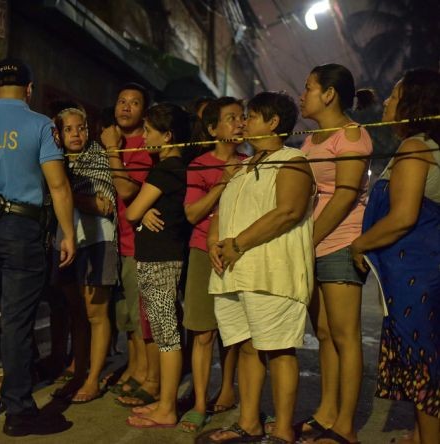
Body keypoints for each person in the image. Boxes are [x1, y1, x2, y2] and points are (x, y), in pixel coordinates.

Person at [0, 58, 75, 436]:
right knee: (17, 321)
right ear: (29, 88)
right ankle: (18, 410)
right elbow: (57, 185)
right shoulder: (39, 124)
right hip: (22, 227)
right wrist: (67, 232)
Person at [200, 92, 314, 443]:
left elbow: (288, 211)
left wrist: (238, 243)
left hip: (271, 272)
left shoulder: (292, 159)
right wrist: (213, 242)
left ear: (273, 122)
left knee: (279, 349)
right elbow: (221, 211)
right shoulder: (243, 166)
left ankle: (282, 430)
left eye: (250, 116)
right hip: (235, 272)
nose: (243, 122)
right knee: (247, 347)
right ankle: (248, 421)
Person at [351, 68, 440, 444]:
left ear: (413, 103)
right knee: (424, 352)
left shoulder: (416, 147)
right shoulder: (420, 146)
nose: (387, 101)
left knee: (422, 360)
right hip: (414, 270)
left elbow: (403, 216)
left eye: (394, 95)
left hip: (417, 271)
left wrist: (360, 243)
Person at [297, 63, 374, 444]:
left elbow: (344, 195)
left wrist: (309, 239)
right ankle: (326, 411)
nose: (302, 94)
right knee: (324, 333)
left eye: (309, 87)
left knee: (346, 336)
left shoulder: (352, 136)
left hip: (341, 240)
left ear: (329, 94)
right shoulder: (311, 140)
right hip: (313, 240)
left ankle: (346, 425)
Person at [123, 103, 192, 428]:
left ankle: (167, 407)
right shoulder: (172, 168)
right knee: (166, 332)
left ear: (168, 135)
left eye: (149, 130)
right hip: (159, 257)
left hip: (161, 259)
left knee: (166, 335)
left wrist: (142, 210)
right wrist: (144, 210)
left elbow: (132, 212)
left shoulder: (167, 168)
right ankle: (165, 403)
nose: (144, 135)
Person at [179, 97, 245, 433]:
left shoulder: (253, 162)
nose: (240, 123)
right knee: (203, 331)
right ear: (213, 129)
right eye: (231, 118)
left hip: (240, 252)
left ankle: (229, 387)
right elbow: (192, 214)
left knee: (234, 333)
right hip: (203, 251)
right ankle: (201, 402)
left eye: (242, 117)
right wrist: (223, 181)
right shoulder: (200, 165)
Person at [50, 107, 118, 403]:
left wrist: (60, 189)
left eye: (81, 128)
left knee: (96, 313)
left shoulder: (98, 157)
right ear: (59, 133)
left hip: (97, 240)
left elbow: (104, 204)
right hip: (65, 241)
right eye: (68, 129)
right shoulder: (54, 161)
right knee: (75, 310)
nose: (76, 134)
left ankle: (93, 379)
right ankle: (79, 367)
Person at [100, 83, 157, 404]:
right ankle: (135, 369)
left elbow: (126, 191)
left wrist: (111, 148)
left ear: (143, 112)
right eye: (122, 101)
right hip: (115, 241)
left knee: (141, 317)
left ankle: (148, 375)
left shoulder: (144, 144)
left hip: (138, 243)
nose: (125, 107)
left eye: (134, 103)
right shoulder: (115, 141)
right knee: (126, 318)